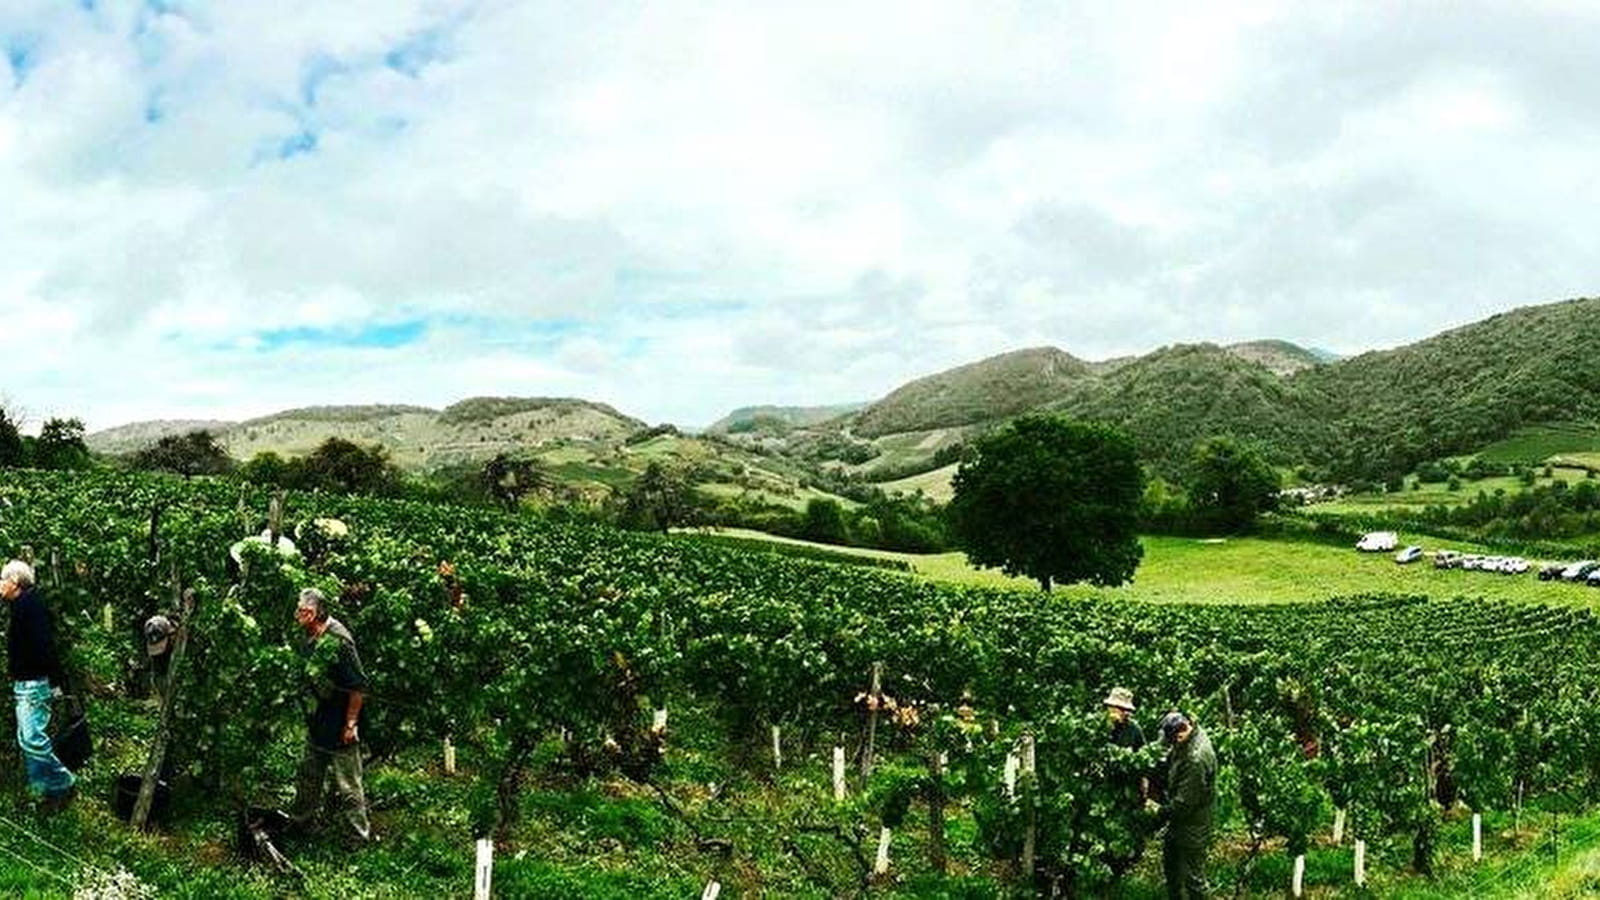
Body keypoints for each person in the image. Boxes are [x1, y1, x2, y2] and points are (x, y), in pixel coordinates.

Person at [287, 587, 371, 845]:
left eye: (305, 611)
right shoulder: (308, 634)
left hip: (340, 724)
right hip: (319, 722)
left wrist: (350, 724)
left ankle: (357, 836)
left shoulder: (339, 642)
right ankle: (301, 824)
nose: (299, 615)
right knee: (309, 774)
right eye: (299, 609)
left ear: (318, 613)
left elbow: (358, 686)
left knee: (348, 785)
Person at [2, 560, 76, 811]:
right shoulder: (21, 604)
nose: (0, 585)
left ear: (15, 582)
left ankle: (62, 782)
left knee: (33, 739)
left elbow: (45, 645)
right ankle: (40, 792)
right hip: (26, 683)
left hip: (34, 683)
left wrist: (53, 682)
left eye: (2, 580)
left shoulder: (30, 606)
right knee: (27, 739)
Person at [1157, 711, 1217, 900]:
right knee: (1171, 867)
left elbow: (1183, 805)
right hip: (1181, 822)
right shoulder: (1191, 734)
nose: (1172, 745)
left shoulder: (1196, 760)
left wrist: (1157, 810)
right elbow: (1169, 756)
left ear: (1182, 731)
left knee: (1193, 879)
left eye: (1173, 740)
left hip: (1192, 825)